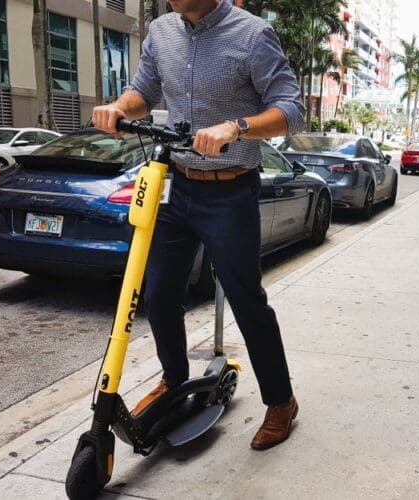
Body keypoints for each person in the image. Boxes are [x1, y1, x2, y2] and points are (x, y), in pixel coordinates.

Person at [91, 0, 304, 451]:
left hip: (229, 191)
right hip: (176, 184)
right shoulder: (161, 31)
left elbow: (290, 107)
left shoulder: (251, 34)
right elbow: (143, 92)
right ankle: (174, 380)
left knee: (247, 301)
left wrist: (237, 127)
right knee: (159, 293)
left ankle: (281, 402)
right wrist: (119, 106)